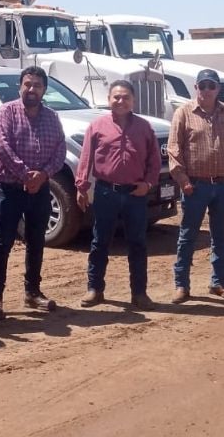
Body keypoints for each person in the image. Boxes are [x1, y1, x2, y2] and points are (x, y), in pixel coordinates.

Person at [0, 65, 67, 320]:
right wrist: (25, 174)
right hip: (11, 189)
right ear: (20, 86)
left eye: (38, 86)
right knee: (3, 242)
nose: (32, 89)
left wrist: (42, 176)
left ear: (44, 89)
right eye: (28, 84)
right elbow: (1, 145)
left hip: (40, 189)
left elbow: (60, 149)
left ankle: (32, 292)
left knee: (36, 241)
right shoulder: (6, 112)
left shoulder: (52, 117)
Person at [75, 80, 162, 309]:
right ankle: (95, 289)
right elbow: (86, 158)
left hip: (135, 194)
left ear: (133, 101)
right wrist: (81, 186)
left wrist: (148, 184)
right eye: (116, 97)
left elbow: (154, 160)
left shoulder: (144, 127)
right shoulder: (97, 126)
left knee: (137, 243)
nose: (120, 101)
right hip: (106, 192)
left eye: (125, 97)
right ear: (109, 100)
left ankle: (139, 293)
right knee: (100, 242)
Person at [168, 68, 224, 303]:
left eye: (211, 86)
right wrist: (183, 181)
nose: (207, 90)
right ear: (196, 88)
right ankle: (182, 285)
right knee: (187, 236)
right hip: (195, 187)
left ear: (218, 89)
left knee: (221, 237)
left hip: (223, 187)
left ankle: (218, 283)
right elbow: (174, 150)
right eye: (202, 86)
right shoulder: (183, 113)